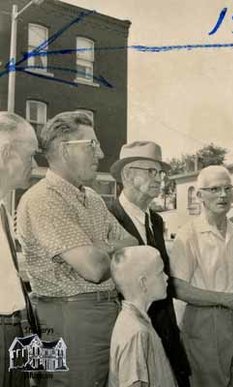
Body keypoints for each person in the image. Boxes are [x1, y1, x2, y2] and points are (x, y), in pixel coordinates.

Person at [17, 111, 138, 387]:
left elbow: (134, 245)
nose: (101, 152)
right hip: (67, 323)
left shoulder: (92, 198)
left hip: (102, 315)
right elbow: (94, 269)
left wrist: (98, 247)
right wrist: (105, 250)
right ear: (64, 150)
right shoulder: (42, 199)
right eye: (91, 145)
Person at [109, 141, 190, 387]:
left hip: (163, 335)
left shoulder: (155, 219)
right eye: (151, 171)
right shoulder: (107, 215)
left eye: (161, 173)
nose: (159, 180)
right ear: (127, 175)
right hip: (131, 338)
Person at [170, 165, 233, 387]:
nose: (223, 195)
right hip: (203, 322)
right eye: (215, 189)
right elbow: (178, 287)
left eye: (228, 188)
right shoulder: (188, 234)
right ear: (200, 195)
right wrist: (223, 299)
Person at [0, 112, 39, 387]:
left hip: (16, 329)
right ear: (4, 152)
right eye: (29, 155)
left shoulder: (2, 209)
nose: (35, 165)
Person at [108, 246, 177, 387]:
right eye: (160, 272)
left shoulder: (137, 321)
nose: (167, 277)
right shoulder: (136, 332)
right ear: (143, 283)